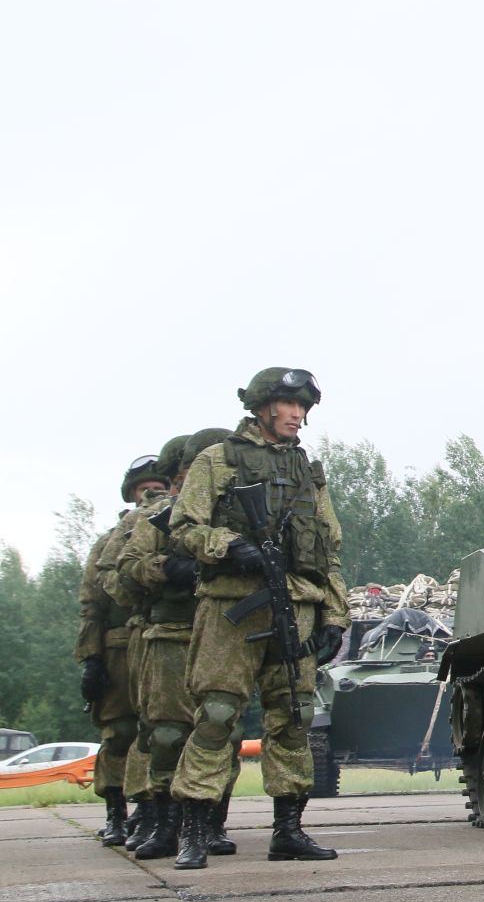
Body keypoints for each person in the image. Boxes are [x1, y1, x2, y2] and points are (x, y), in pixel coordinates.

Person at [166, 369, 349, 870]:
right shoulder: (217, 459)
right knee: (218, 714)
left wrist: (335, 613)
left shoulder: (307, 469)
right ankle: (196, 830)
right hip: (232, 606)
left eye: (304, 407)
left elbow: (328, 546)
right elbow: (183, 528)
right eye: (289, 405)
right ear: (264, 407)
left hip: (298, 606)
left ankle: (287, 830)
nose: (298, 415)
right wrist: (230, 547)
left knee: (293, 718)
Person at [115, 428, 236, 860]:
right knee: (166, 734)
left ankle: (209, 823)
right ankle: (164, 822)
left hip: (224, 633)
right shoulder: (157, 520)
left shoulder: (236, 515)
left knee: (222, 728)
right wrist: (168, 568)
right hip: (170, 637)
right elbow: (121, 576)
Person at [74, 453, 167, 846]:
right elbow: (92, 606)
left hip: (159, 639)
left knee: (158, 732)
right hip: (117, 649)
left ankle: (151, 814)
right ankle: (115, 813)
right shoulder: (109, 544)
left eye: (160, 488)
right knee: (119, 733)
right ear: (132, 494)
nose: (152, 494)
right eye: (145, 489)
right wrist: (90, 660)